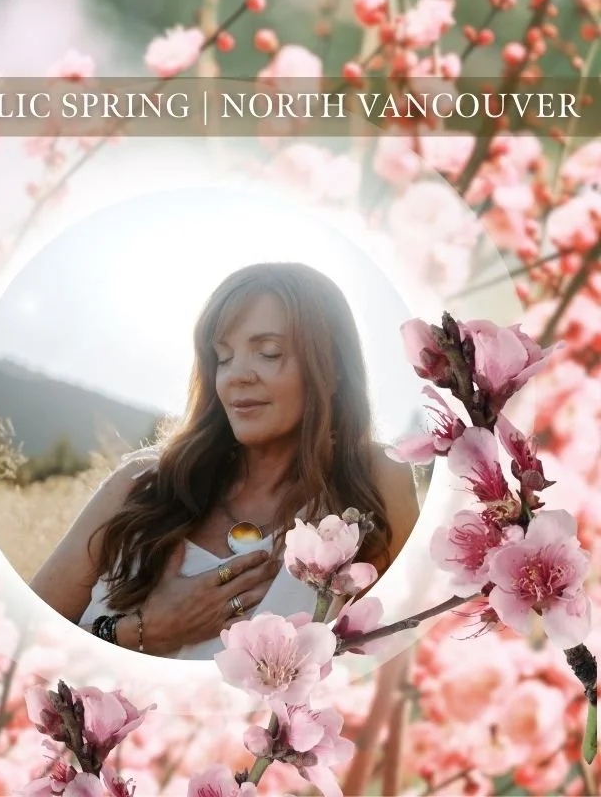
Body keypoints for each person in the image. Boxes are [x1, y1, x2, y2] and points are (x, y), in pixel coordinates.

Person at [30, 262, 420, 659]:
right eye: (223, 357)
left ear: (333, 367)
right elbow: (24, 638)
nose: (236, 375)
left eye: (268, 353)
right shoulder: (140, 482)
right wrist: (142, 631)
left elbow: (401, 655)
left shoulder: (371, 480)